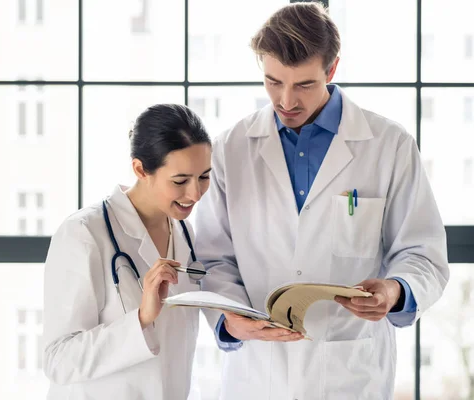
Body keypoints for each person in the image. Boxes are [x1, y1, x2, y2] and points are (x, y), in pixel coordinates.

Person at [194, 3, 449, 399]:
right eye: (273, 81)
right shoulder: (233, 148)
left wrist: (395, 290)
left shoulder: (388, 145)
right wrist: (230, 319)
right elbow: (212, 258)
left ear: (331, 70)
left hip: (349, 374)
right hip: (258, 376)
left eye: (304, 85)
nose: (285, 100)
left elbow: (423, 253)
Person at [42, 103, 212, 399]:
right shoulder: (84, 233)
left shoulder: (184, 232)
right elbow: (58, 360)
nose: (195, 194)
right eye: (180, 181)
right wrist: (141, 318)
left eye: (204, 177)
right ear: (140, 169)